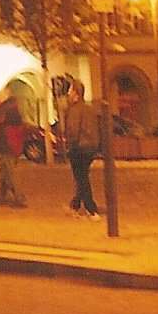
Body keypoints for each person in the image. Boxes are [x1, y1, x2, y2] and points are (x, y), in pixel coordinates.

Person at [61, 81, 101, 218]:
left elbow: (73, 130)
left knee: (82, 179)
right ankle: (75, 205)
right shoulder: (89, 109)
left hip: (79, 148)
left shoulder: (75, 110)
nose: (68, 94)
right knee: (82, 177)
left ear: (76, 94)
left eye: (70, 91)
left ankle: (91, 209)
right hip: (90, 147)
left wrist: (69, 146)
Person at [0, 87, 27, 207]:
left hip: (8, 143)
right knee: (4, 171)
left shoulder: (6, 108)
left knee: (9, 172)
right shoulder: (11, 107)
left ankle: (18, 197)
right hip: (9, 143)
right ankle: (1, 195)